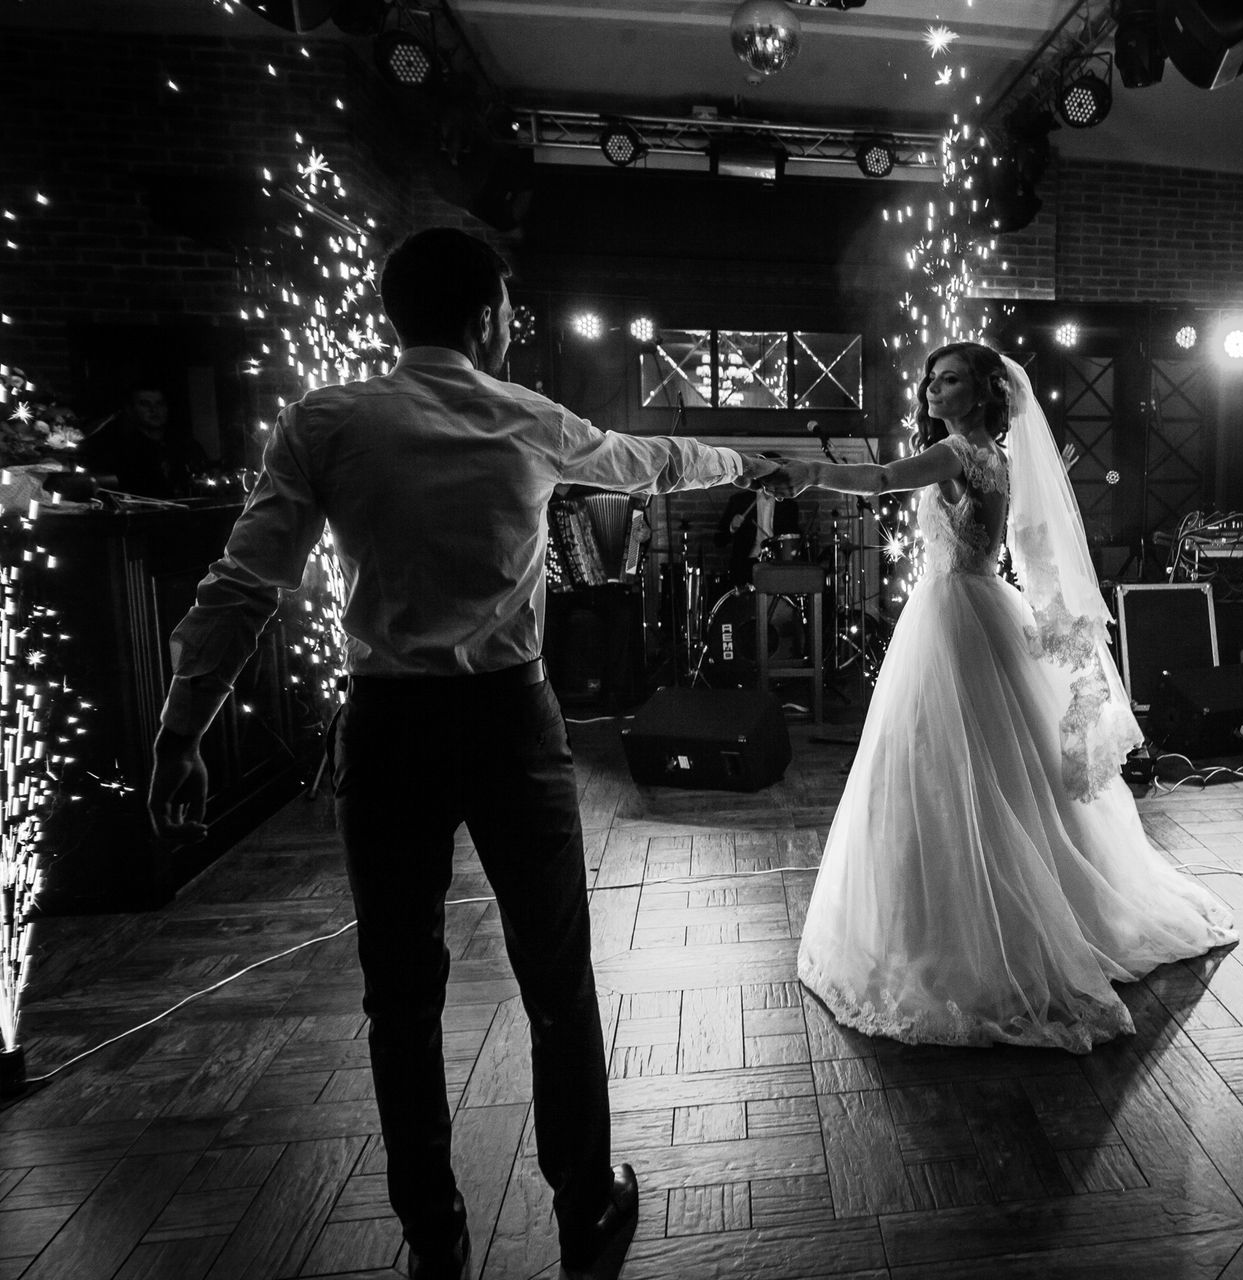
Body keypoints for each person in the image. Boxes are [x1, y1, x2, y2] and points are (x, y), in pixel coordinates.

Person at [145, 228, 779, 1280]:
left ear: (394, 312)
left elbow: (242, 585)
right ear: (489, 313)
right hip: (506, 722)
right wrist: (743, 457)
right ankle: (584, 1204)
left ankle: (431, 1231)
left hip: (388, 725)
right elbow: (655, 461)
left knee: (400, 991)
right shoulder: (527, 418)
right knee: (557, 977)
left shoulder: (325, 418)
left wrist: (181, 732)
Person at [766, 341, 1234, 1052]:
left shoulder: (959, 454)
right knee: (983, 771)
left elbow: (887, 476)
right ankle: (989, 913)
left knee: (945, 768)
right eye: (930, 378)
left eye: (947, 379)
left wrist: (806, 473)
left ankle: (958, 934)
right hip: (979, 607)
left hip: (954, 617)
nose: (930, 387)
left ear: (983, 394)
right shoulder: (998, 460)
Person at [81, 381, 209, 499]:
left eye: (159, 403)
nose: (154, 410)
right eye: (145, 404)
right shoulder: (122, 451)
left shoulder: (185, 445)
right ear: (130, 410)